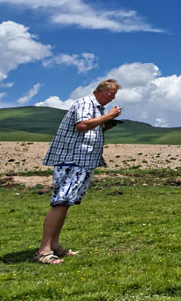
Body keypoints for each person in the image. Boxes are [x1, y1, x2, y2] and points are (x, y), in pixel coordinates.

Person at [36, 79, 122, 265]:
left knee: (66, 203)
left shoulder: (96, 108)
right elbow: (82, 125)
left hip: (83, 162)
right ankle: (44, 250)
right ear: (101, 91)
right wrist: (108, 116)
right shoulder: (86, 103)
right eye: (111, 94)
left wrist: (105, 123)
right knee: (61, 201)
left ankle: (54, 246)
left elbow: (88, 128)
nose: (113, 97)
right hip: (72, 160)